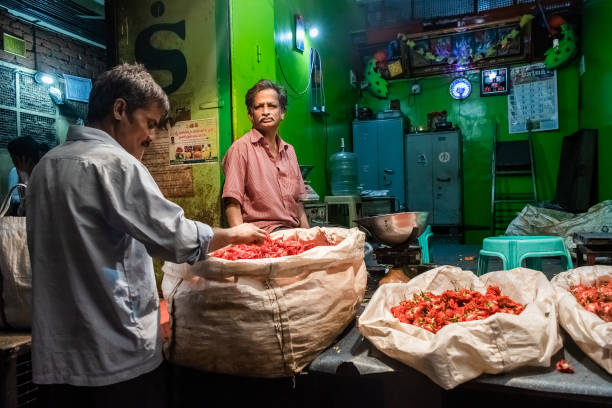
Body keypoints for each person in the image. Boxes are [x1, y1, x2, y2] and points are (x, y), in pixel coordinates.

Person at [25, 63, 266, 407]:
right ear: (120, 109)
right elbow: (177, 238)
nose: (152, 137)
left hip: (57, 364)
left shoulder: (45, 167)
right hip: (116, 360)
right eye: (150, 124)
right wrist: (234, 234)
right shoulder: (115, 165)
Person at [222, 79, 309, 233]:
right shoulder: (241, 149)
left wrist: (309, 237)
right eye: (259, 107)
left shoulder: (290, 151)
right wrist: (242, 242)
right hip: (262, 236)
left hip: (293, 233)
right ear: (250, 114)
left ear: (282, 113)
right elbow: (232, 204)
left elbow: (298, 205)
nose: (266, 111)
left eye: (272, 106)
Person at [5, 136, 47, 216]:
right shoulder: (20, 174)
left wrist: (26, 182)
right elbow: (22, 211)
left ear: (24, 159)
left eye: (15, 160)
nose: (14, 164)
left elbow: (36, 212)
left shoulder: (44, 174)